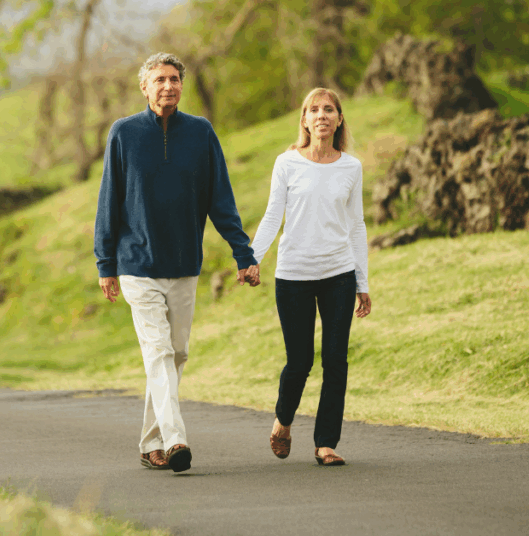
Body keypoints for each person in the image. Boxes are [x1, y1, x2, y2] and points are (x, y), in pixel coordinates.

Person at [94, 52, 260, 473]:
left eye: (174, 79)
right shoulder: (123, 133)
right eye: (159, 79)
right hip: (137, 265)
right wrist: (105, 263)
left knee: (176, 354)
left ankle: (151, 441)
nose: (168, 86)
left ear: (181, 86)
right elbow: (108, 200)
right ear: (144, 87)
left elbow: (220, 199)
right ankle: (175, 439)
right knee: (158, 351)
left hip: (185, 264)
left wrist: (243, 252)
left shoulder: (200, 133)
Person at [245, 87, 372, 467]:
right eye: (313, 109)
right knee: (299, 361)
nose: (321, 115)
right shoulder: (287, 163)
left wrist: (362, 281)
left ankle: (326, 443)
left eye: (328, 109)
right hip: (294, 274)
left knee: (336, 360)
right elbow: (272, 215)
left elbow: (357, 225)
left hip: (338, 274)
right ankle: (283, 421)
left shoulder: (351, 167)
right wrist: (252, 259)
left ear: (338, 119)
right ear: (304, 120)